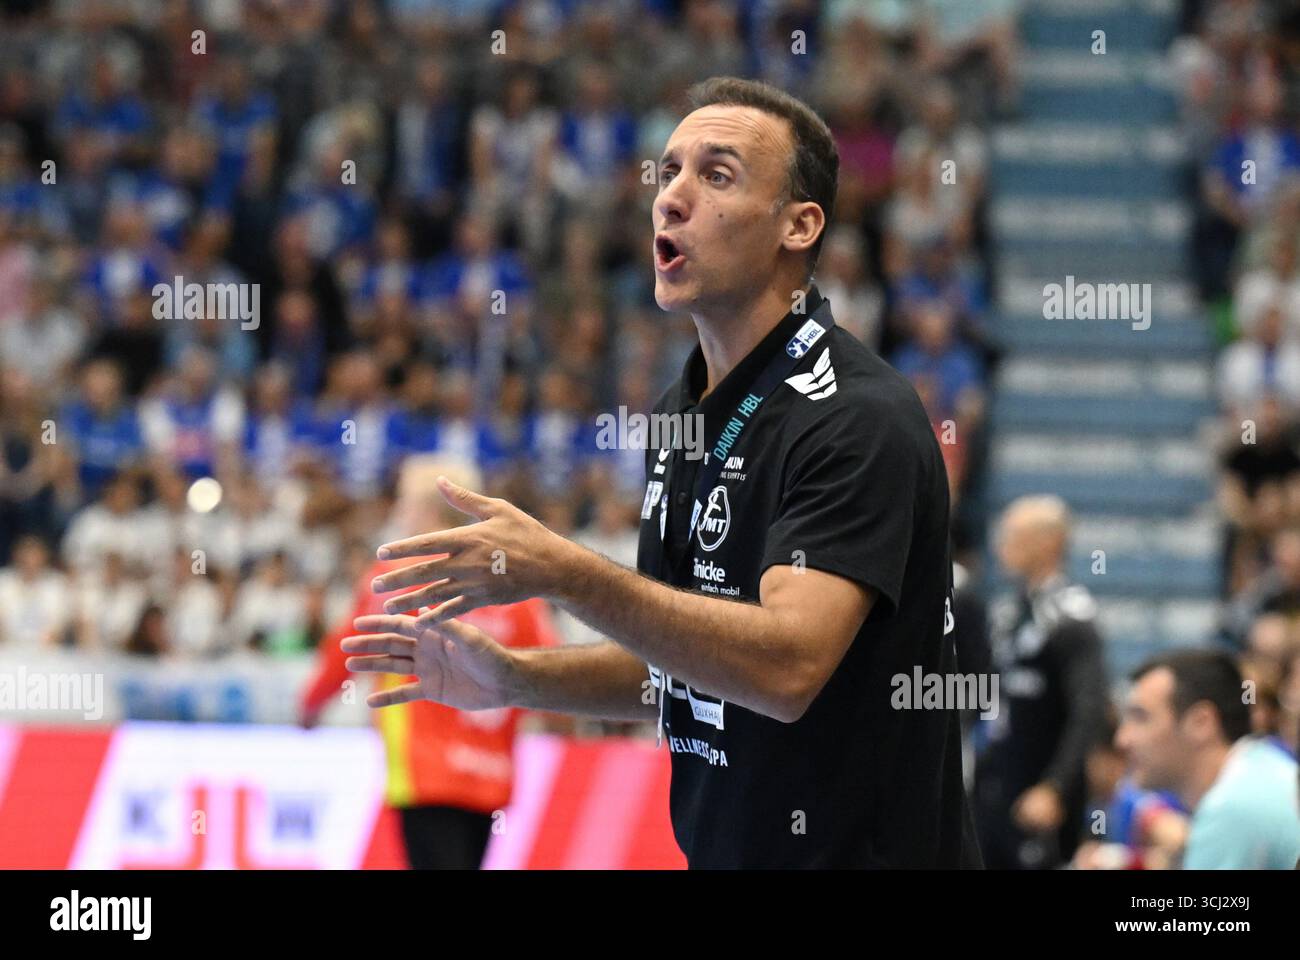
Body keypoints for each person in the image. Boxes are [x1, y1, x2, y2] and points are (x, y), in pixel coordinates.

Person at [343, 76, 980, 868]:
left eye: (716, 175)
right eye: (668, 171)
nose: (671, 198)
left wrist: (566, 572)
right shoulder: (682, 411)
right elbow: (677, 667)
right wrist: (513, 678)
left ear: (799, 225)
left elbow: (785, 667)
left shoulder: (856, 415)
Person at [301, 455, 559, 869]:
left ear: (426, 510)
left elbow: (345, 651)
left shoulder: (397, 577)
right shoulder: (510, 584)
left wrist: (308, 709)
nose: (400, 516)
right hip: (492, 775)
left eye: (404, 504)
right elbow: (550, 670)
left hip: (425, 771)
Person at [973, 495, 1108, 869]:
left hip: (1039, 790)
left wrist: (1056, 787)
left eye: (1013, 534)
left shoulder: (1072, 617)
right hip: (994, 786)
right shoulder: (1007, 614)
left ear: (1049, 542)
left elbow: (1089, 708)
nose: (1001, 543)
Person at [1117, 649, 1300, 869]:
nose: (1122, 740)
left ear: (1201, 723)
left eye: (1141, 717)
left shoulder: (1230, 807)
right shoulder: (1260, 770)